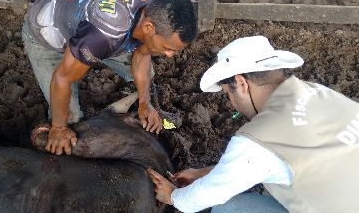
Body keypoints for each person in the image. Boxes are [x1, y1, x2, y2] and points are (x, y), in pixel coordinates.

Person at [148, 35, 359, 213]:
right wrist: (202, 173)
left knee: (227, 209)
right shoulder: (318, 92)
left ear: (241, 84)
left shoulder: (260, 138)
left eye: (227, 94)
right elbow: (270, 162)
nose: (231, 104)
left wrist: (173, 196)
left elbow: (208, 194)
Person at [22, 0, 198, 155]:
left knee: (147, 74)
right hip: (46, 36)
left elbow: (143, 53)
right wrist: (59, 127)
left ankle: (149, 109)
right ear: (148, 28)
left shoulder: (154, 11)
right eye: (168, 48)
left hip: (91, 36)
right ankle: (43, 134)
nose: (169, 55)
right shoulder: (103, 36)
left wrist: (145, 102)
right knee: (70, 120)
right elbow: (62, 78)